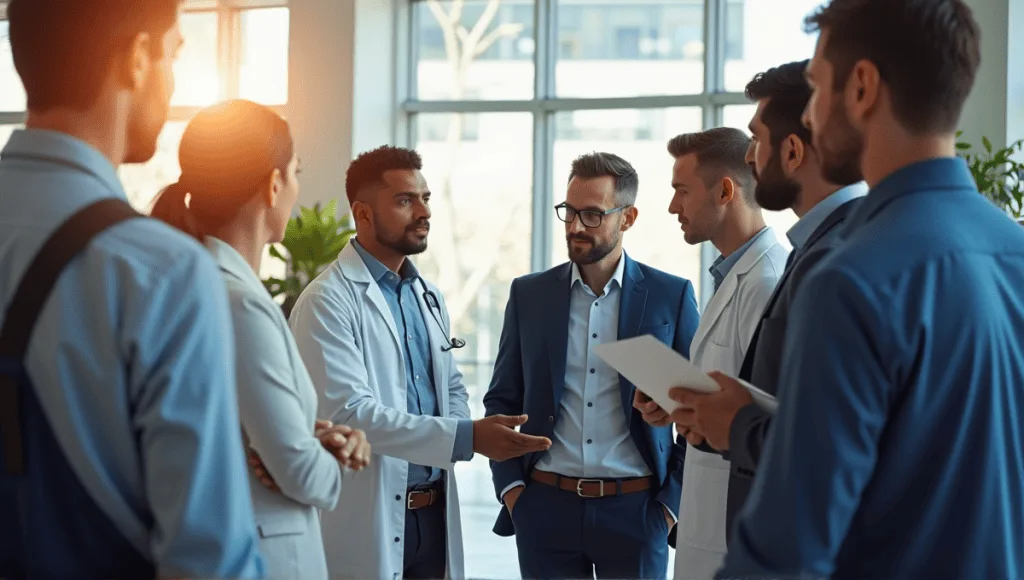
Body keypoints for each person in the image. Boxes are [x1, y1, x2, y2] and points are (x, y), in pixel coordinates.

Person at [716, 0, 1024, 577]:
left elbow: (788, 546)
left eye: (816, 87)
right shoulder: (1016, 252)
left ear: (861, 87)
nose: (810, 116)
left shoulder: (852, 279)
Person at [0, 1, 263, 578]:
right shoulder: (160, 270)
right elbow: (209, 559)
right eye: (173, 55)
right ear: (138, 58)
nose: (172, 83)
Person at [289, 145, 552, 580]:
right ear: (363, 213)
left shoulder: (426, 295)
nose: (424, 211)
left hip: (433, 514)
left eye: (425, 198)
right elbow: (350, 415)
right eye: (405, 200)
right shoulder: (327, 300)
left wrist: (460, 429)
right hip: (368, 519)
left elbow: (451, 386)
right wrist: (467, 436)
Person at [148, 99, 372, 580]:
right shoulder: (239, 304)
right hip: (266, 555)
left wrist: (304, 438)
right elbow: (304, 475)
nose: (296, 187)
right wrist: (333, 458)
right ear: (273, 185)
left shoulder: (201, 283)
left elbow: (247, 431)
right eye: (295, 172)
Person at [665, 61, 867, 539]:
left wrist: (734, 425)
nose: (750, 157)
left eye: (756, 140)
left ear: (793, 150)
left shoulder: (838, 259)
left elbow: (833, 441)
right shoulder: (816, 249)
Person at [483, 152, 700, 580]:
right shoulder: (530, 295)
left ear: (628, 218)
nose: (575, 226)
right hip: (545, 508)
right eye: (569, 211)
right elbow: (503, 399)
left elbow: (695, 413)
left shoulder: (669, 296)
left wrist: (668, 508)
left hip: (638, 512)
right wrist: (513, 492)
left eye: (592, 214)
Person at [635, 128, 789, 580]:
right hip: (709, 520)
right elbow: (733, 393)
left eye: (682, 191)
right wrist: (679, 405)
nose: (672, 206)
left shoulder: (766, 282)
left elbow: (767, 422)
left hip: (733, 531)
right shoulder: (732, 275)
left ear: (725, 191)